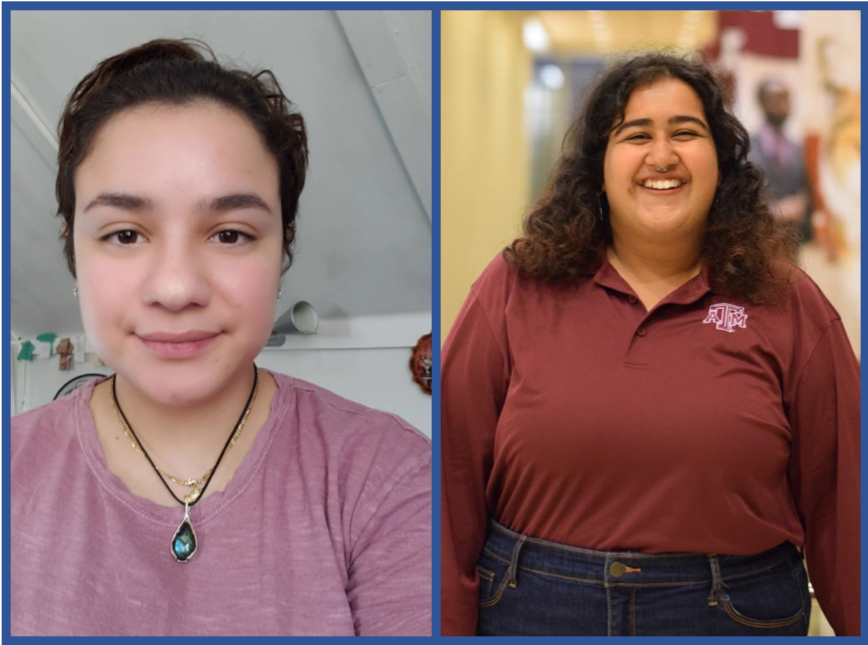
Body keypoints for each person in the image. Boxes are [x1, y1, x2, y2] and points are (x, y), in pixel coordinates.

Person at [10, 38, 431, 636]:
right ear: (72, 251)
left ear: (281, 252)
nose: (177, 288)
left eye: (230, 234)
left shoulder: (389, 478)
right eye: (125, 235)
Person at [441, 53, 859, 636]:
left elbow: (845, 504)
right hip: (534, 611)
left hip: (734, 616)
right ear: (599, 166)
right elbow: (448, 484)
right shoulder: (515, 286)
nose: (661, 156)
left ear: (722, 162)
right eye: (636, 135)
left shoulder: (786, 301)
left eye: (685, 133)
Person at [748, 79, 813, 245]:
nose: (784, 105)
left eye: (787, 99)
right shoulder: (747, 149)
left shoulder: (797, 149)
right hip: (759, 241)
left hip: (792, 243)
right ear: (762, 102)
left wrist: (802, 203)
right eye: (777, 99)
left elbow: (805, 189)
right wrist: (775, 211)